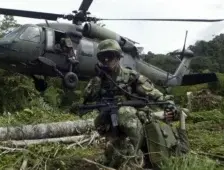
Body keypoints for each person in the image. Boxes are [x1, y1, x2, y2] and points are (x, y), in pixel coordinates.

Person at [79, 39, 189, 169]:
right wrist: (96, 82)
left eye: (110, 56)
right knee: (100, 122)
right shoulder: (99, 80)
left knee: (124, 113)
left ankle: (137, 156)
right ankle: (118, 150)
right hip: (109, 118)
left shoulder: (130, 76)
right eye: (103, 57)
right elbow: (85, 100)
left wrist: (169, 105)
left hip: (134, 117)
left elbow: (154, 93)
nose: (106, 60)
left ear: (118, 57)